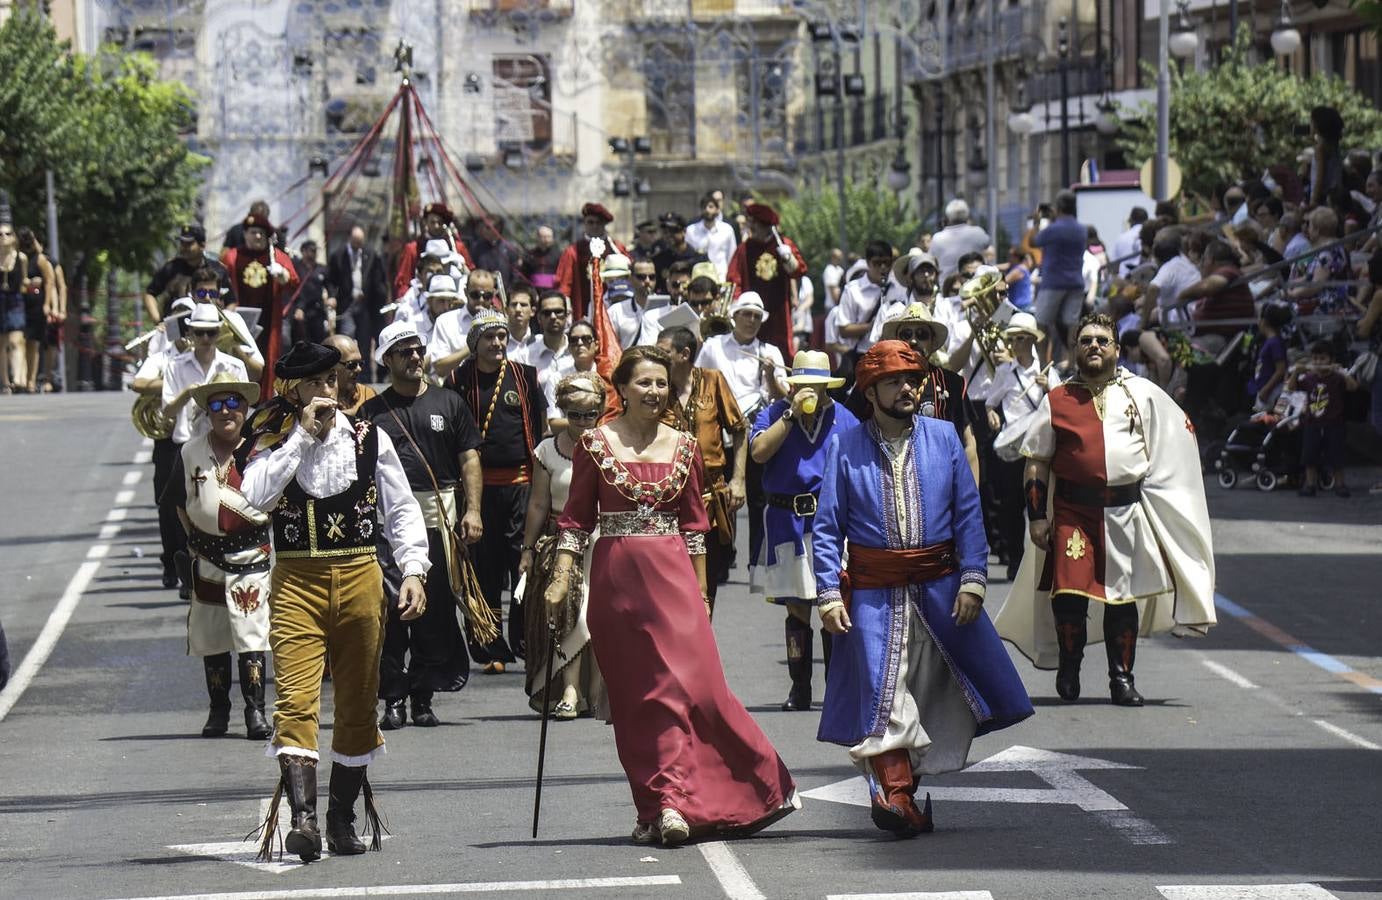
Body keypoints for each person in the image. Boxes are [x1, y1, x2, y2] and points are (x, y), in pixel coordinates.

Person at [549, 345, 799, 846]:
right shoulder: (594, 444)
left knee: (701, 689)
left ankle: (758, 785)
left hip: (676, 583)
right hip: (616, 584)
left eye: (662, 383)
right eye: (644, 382)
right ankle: (663, 805)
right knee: (640, 699)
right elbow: (575, 519)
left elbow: (694, 526)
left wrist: (703, 593)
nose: (655, 392)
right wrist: (560, 576)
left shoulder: (684, 446)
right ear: (620, 389)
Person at [811, 340, 1032, 837]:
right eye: (894, 381)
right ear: (870, 392)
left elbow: (968, 515)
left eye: (913, 379)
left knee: (936, 692)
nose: (908, 388)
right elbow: (827, 528)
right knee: (883, 696)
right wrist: (827, 593)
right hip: (872, 594)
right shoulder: (845, 446)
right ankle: (896, 796)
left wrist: (973, 581)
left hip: (939, 590)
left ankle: (901, 783)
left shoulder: (944, 436)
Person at [239, 341, 431, 862]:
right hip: (296, 580)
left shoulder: (371, 438)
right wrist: (301, 436)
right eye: (313, 383)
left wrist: (413, 569)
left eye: (331, 380)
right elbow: (253, 497)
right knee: (295, 700)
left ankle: (341, 816)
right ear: (294, 391)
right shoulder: (273, 437)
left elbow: (403, 510)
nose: (324, 391)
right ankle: (302, 819)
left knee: (357, 701)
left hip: (361, 576)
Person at [995, 313, 1217, 707]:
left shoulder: (1143, 394)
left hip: (1125, 513)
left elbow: (1176, 438)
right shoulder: (1057, 399)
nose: (1094, 346)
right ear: (1076, 349)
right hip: (1072, 514)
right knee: (1069, 595)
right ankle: (1070, 664)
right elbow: (1036, 461)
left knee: (1122, 598)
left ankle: (1122, 679)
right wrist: (1037, 517)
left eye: (1102, 340)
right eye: (1085, 340)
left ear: (1117, 349)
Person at [361, 322, 484, 730]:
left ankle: (422, 696)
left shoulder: (450, 402)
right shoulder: (371, 413)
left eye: (419, 349)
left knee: (434, 614)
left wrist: (474, 511)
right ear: (388, 360)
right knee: (393, 614)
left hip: (440, 520)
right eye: (405, 351)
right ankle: (392, 697)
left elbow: (469, 459)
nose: (415, 357)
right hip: (387, 527)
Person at [749, 351, 858, 711]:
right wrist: (791, 414)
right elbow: (759, 453)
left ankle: (836, 688)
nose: (808, 390)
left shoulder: (845, 418)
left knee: (833, 604)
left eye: (817, 385)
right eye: (802, 384)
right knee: (797, 608)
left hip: (830, 520)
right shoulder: (774, 412)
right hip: (786, 520)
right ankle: (800, 688)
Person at [165, 374, 272, 740]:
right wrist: (194, 536)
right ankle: (218, 709)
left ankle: (255, 711)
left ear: (244, 408)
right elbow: (176, 502)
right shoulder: (189, 452)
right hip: (207, 559)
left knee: (251, 633)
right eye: (216, 405)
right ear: (207, 412)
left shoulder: (263, 450)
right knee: (212, 637)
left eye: (232, 404)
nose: (225, 411)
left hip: (251, 557)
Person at [446, 309, 546, 671]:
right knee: (483, 568)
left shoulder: (525, 376)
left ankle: (524, 640)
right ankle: (490, 645)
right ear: (475, 343)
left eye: (502, 336)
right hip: (479, 489)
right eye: (489, 337)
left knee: (523, 564)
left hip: (520, 484)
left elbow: (538, 426)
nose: (498, 343)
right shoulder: (459, 379)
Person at [519, 373, 610, 720]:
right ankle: (570, 690)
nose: (583, 422)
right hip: (562, 542)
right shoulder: (547, 449)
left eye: (590, 414)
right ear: (563, 412)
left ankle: (597, 689)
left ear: (600, 411)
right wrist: (527, 549)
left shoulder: (609, 445)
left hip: (603, 541)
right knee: (569, 614)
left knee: (598, 616)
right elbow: (538, 504)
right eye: (574, 414)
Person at [696, 292, 788, 577]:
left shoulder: (769, 351)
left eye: (756, 316)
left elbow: (782, 396)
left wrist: (770, 376)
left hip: (755, 428)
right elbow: (699, 379)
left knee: (759, 498)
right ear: (734, 316)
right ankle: (722, 558)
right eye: (746, 314)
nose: (750, 320)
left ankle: (756, 564)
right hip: (719, 427)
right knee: (720, 493)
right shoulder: (714, 346)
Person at [657, 326, 747, 612]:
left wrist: (739, 480)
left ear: (684, 354)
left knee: (706, 581)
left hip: (711, 498)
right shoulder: (656, 388)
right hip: (667, 500)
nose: (656, 358)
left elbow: (739, 429)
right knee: (669, 581)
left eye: (663, 352)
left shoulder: (712, 380)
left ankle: (700, 646)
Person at [983, 312, 1050, 580]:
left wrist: (1049, 388)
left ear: (1032, 340)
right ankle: (1016, 561)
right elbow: (990, 400)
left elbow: (1057, 406)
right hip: (1012, 444)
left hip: (1038, 445)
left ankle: (1044, 561)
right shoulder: (1003, 372)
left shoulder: (1047, 371)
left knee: (1039, 505)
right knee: (1010, 505)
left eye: (1022, 338)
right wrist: (991, 413)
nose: (1017, 344)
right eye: (1013, 339)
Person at [221, 212, 298, 388]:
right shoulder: (232, 256)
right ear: (245, 234)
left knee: (267, 359)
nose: (257, 236)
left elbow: (294, 281)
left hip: (268, 319)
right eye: (253, 232)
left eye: (261, 233)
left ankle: (265, 398)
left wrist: (283, 276)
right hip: (238, 319)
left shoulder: (276, 256)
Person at [725, 201, 805, 361]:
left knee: (782, 350)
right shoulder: (744, 249)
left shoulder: (783, 244)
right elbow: (734, 278)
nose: (750, 227)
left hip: (779, 310)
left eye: (754, 224)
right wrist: (735, 305)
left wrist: (789, 259)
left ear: (765, 226)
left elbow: (799, 271)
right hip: (751, 310)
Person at [1288, 340, 1359, 498]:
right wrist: (1295, 372)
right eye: (1315, 359)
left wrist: (1342, 372)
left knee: (1336, 456)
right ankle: (1310, 484)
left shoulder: (1337, 377)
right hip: (1312, 423)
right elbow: (1291, 388)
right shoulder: (1308, 378)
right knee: (1309, 455)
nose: (1318, 362)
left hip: (1335, 423)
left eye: (1322, 359)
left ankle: (1340, 484)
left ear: (1331, 360)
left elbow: (1353, 387)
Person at [1031, 191, 1088, 363]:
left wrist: (1037, 221)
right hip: (1076, 283)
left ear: (1060, 207)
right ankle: (1073, 362)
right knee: (1072, 324)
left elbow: (1034, 241)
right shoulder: (1081, 229)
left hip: (1053, 283)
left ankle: (1043, 362)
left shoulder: (1053, 229)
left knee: (1041, 322)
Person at [555, 202, 626, 320]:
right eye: (590, 222)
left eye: (598, 222)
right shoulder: (573, 251)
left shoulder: (617, 248)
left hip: (616, 307)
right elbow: (564, 285)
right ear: (584, 224)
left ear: (604, 224)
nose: (594, 226)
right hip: (583, 308)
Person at [427, 269, 502, 380]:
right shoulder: (446, 321)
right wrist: (470, 347)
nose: (481, 300)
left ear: (493, 295)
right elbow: (440, 368)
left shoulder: (501, 323)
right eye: (475, 295)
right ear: (466, 292)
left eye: (487, 296)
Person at [391, 203, 475, 303]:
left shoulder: (457, 247)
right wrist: (404, 299)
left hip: (454, 299)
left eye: (440, 222)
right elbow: (404, 280)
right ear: (425, 222)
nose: (436, 226)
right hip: (421, 301)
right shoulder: (413, 249)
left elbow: (471, 274)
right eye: (432, 222)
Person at [145, 224, 229, 322]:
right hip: (173, 330)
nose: (184, 247)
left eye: (189, 244)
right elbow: (149, 294)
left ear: (202, 245)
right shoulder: (171, 268)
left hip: (209, 328)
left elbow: (230, 301)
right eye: (182, 243)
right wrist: (158, 321)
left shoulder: (217, 269)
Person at [328, 226, 389, 351]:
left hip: (365, 304)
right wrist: (332, 296)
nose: (358, 246)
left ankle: (364, 368)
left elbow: (378, 279)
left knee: (364, 338)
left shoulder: (370, 254)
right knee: (346, 335)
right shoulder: (338, 256)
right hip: (347, 303)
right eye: (355, 242)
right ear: (350, 238)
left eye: (360, 242)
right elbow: (331, 280)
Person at [928, 199, 991, 280]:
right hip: (975, 285)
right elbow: (988, 246)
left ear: (948, 217)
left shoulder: (937, 238)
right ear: (967, 216)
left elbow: (931, 261)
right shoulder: (978, 232)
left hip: (947, 287)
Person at [1246, 304, 1291, 411]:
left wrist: (1266, 390)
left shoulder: (1275, 343)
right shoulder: (1269, 341)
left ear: (1264, 321)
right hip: (1263, 390)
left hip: (1271, 392)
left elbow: (1281, 370)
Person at [685, 193, 739, 279]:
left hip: (721, 277)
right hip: (698, 277)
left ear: (717, 209)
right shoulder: (691, 230)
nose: (707, 210)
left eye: (710, 207)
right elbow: (688, 254)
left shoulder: (727, 230)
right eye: (704, 207)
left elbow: (732, 256)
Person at [0, 221, 27, 393]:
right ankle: (5, 381)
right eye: (0, 234)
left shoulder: (21, 258)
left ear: (14, 238)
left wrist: (31, 284)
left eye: (8, 234)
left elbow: (24, 281)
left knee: (15, 340)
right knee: (1, 343)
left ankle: (17, 378)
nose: (3, 237)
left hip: (15, 300)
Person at [290, 240, 332, 344]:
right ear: (303, 251)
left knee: (319, 341)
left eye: (315, 251)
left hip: (317, 310)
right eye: (311, 250)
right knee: (302, 342)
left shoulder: (321, 269)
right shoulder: (296, 267)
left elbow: (330, 285)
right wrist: (298, 308)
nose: (313, 253)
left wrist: (332, 297)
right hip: (300, 311)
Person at [324, 334, 376, 415]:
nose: (359, 369)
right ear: (330, 366)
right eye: (351, 364)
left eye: (360, 363)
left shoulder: (368, 395)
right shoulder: (316, 397)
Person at [521, 225, 561, 290]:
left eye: (548, 237)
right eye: (543, 237)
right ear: (538, 237)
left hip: (553, 290)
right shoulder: (529, 254)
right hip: (534, 290)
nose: (546, 240)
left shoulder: (559, 254)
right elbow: (524, 273)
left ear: (552, 238)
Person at [1111, 207, 1149, 277]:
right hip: (1146, 280)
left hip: (1125, 281)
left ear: (1131, 220)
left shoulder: (1121, 238)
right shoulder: (1152, 235)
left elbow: (1114, 266)